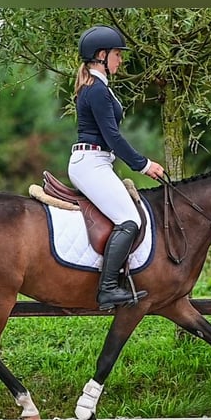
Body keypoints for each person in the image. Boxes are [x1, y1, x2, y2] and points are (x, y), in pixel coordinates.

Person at [69, 25, 165, 310]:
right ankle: (108, 288)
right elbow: (112, 136)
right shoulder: (96, 90)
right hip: (91, 163)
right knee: (130, 220)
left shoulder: (99, 87)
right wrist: (143, 164)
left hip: (97, 162)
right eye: (117, 54)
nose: (120, 60)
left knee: (127, 218)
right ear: (101, 55)